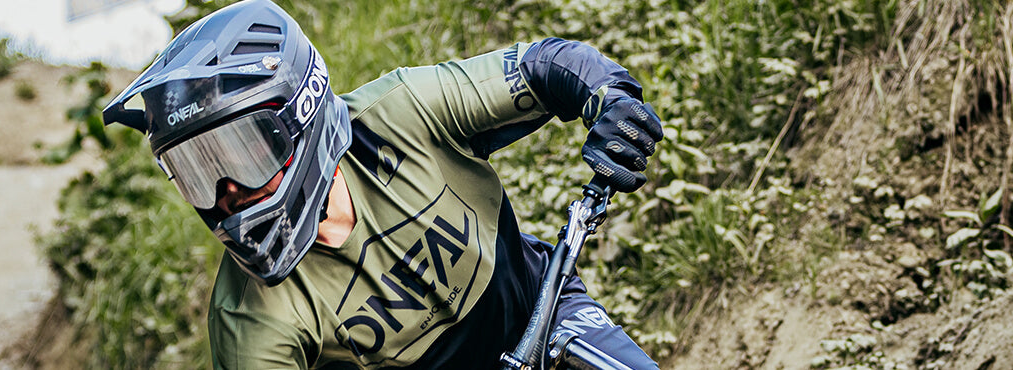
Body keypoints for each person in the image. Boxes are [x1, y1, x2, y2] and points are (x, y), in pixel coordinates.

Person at [102, 0, 664, 368]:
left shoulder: (403, 112)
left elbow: (546, 66)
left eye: (239, 154)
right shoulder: (250, 317)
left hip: (545, 313)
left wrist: (610, 100)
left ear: (298, 114)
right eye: (198, 172)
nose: (225, 194)